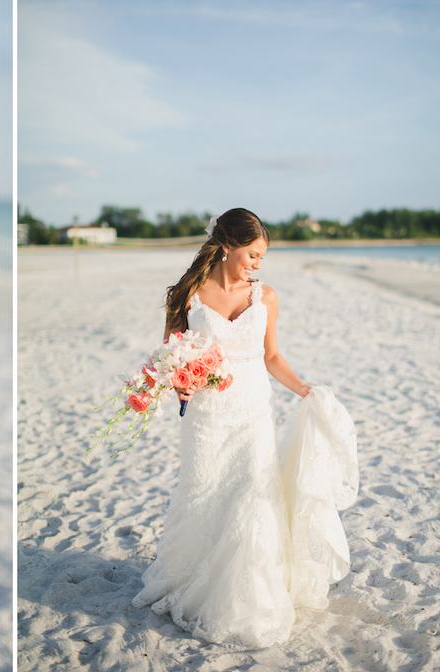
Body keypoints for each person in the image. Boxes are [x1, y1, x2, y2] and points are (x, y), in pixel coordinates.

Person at [131, 208, 354, 648]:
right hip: (207, 416)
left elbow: (272, 357)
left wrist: (303, 389)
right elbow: (171, 352)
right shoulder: (187, 294)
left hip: (253, 411)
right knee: (203, 491)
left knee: (253, 498)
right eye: (252, 254)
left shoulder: (266, 297)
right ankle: (194, 579)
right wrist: (180, 382)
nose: (256, 263)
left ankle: (250, 597)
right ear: (227, 247)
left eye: (261, 258)